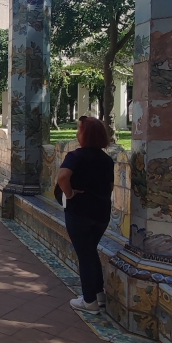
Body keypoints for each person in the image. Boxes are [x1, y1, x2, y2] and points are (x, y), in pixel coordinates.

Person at [56, 116, 114, 311]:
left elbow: (63, 176)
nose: (76, 133)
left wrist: (70, 193)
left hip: (79, 212)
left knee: (85, 255)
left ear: (85, 134)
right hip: (101, 214)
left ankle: (89, 300)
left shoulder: (76, 156)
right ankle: (99, 294)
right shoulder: (106, 160)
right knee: (91, 252)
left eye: (79, 130)